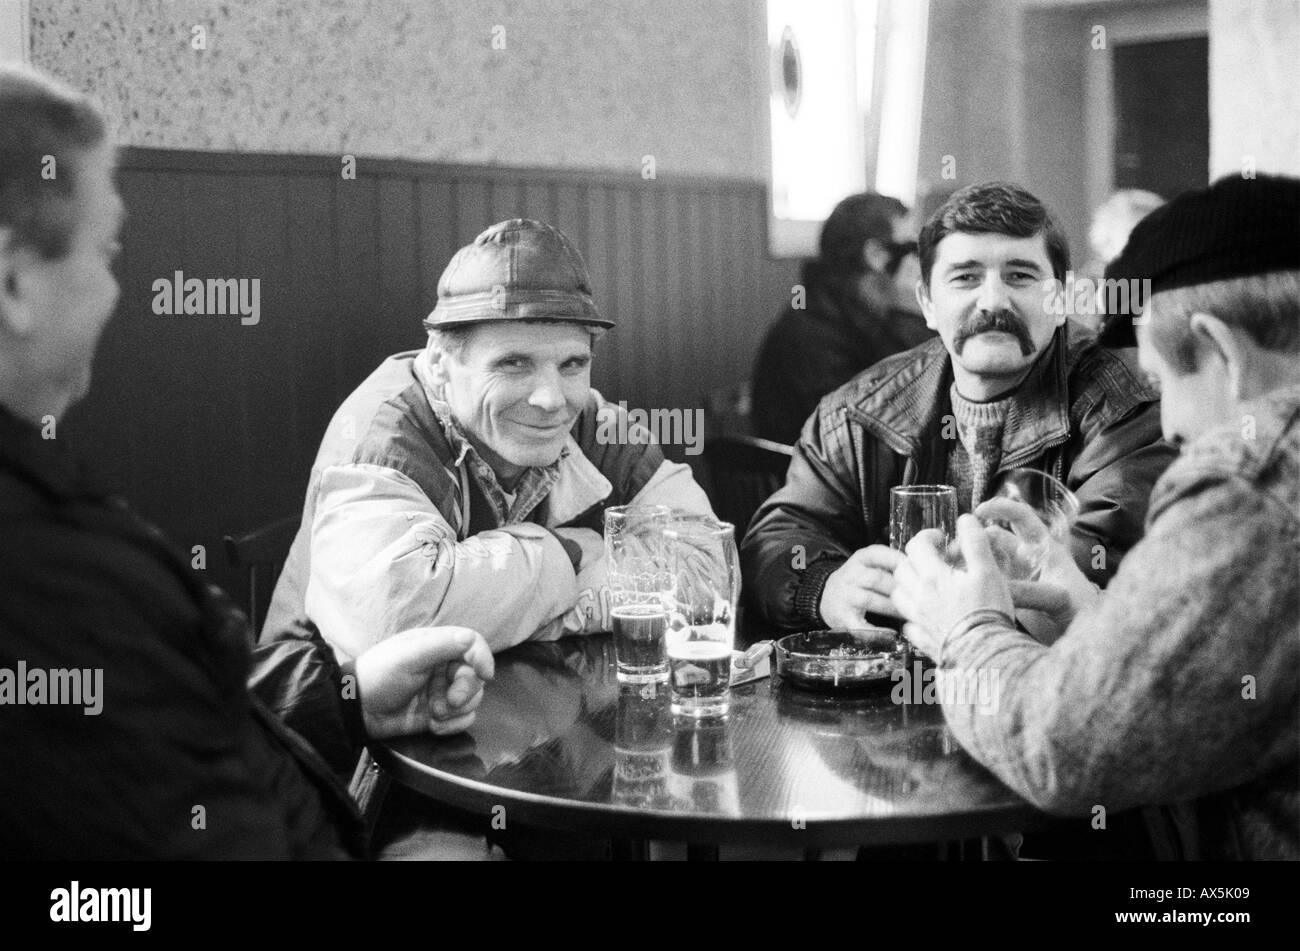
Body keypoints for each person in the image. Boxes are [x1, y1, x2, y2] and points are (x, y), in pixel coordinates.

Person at [0, 65, 493, 859]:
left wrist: (349, 694)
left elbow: (188, 717)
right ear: (15, 281)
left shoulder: (46, 502)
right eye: (104, 251)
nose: (114, 291)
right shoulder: (44, 575)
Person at [891, 173, 1300, 860]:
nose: (1169, 424)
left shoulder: (1251, 480)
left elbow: (1062, 750)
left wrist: (963, 629)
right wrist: (1096, 615)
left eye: (1164, 380)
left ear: (1223, 352)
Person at [265, 219, 714, 659]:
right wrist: (569, 551)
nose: (551, 399)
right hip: (323, 723)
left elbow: (708, 574)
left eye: (572, 364)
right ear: (440, 362)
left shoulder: (601, 429)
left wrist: (505, 606)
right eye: (513, 363)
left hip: (517, 714)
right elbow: (392, 629)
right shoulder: (382, 436)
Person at [742, 181, 1176, 633]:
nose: (992, 301)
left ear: (1062, 298)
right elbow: (779, 536)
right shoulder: (859, 414)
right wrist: (824, 587)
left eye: (1020, 276)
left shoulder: (1125, 414)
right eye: (966, 277)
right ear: (927, 302)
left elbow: (1083, 585)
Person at [751, 192, 933, 445]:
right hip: (815, 477)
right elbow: (895, 419)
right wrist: (909, 316)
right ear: (876, 255)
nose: (920, 264)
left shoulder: (847, 316)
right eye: (912, 249)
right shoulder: (811, 332)